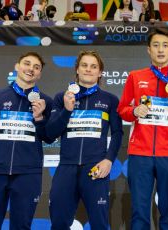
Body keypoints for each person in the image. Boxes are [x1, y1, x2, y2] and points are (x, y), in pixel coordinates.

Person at [0, 52, 53, 229]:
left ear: (40, 74)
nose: (31, 69)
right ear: (17, 66)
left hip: (28, 174)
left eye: (36, 67)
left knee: (21, 226)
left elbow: (49, 137)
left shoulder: (46, 102)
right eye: (27, 64)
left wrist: (39, 118)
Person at [117, 28, 168, 230]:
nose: (160, 50)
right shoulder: (135, 76)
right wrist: (134, 111)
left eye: (165, 45)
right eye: (156, 45)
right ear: (149, 50)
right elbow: (122, 110)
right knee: (139, 211)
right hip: (140, 152)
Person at [47, 50, 123, 230]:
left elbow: (118, 133)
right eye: (84, 65)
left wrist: (109, 160)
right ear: (77, 70)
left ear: (100, 72)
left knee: (99, 224)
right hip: (66, 167)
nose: (88, 70)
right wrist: (66, 109)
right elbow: (50, 134)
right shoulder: (61, 97)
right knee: (58, 223)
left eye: (93, 66)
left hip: (95, 169)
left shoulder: (110, 100)